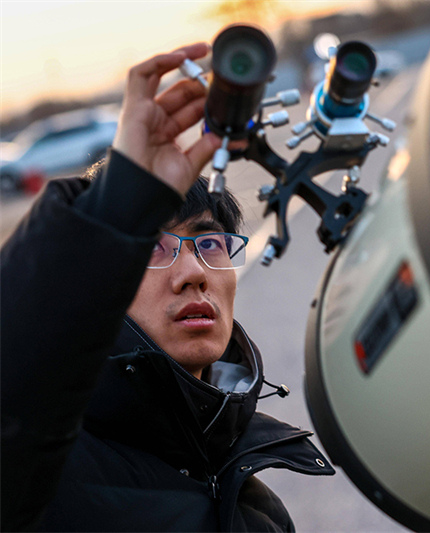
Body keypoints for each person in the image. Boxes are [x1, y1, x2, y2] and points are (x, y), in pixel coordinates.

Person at [0, 42, 334, 532]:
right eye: (152, 248)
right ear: (106, 280)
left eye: (210, 243)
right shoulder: (49, 472)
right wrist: (120, 201)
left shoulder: (259, 510)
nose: (192, 272)